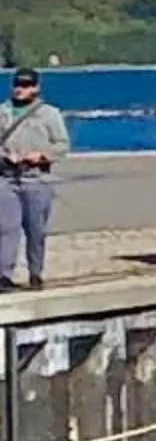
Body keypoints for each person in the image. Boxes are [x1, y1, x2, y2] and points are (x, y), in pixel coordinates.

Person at [0, 68, 71, 289]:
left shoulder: (49, 113)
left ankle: (35, 273)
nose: (21, 89)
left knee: (35, 230)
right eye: (18, 85)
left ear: (36, 87)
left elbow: (62, 144)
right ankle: (4, 275)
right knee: (6, 228)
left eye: (27, 85)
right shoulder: (3, 111)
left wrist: (41, 155)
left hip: (37, 178)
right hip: (7, 177)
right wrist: (6, 155)